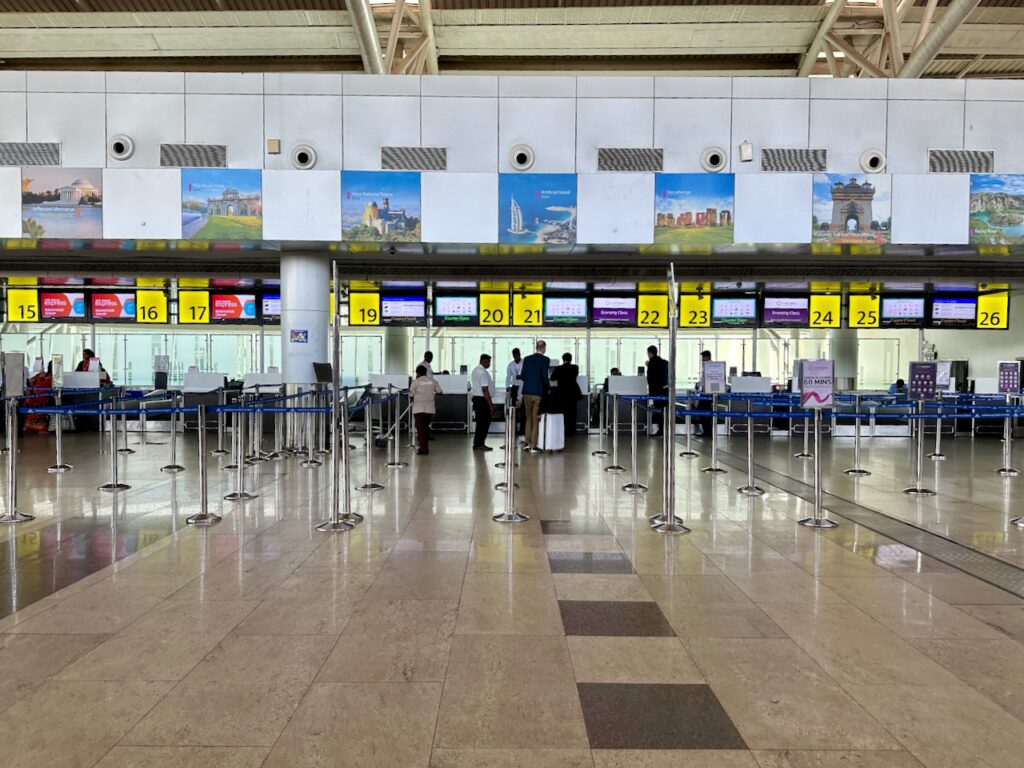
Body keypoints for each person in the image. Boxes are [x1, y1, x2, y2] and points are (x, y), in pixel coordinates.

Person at [519, 340, 550, 454]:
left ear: (536, 347)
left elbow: (523, 376)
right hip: (537, 393)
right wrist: (548, 386)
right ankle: (533, 445)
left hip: (526, 392)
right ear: (544, 348)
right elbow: (544, 376)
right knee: (535, 419)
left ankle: (527, 442)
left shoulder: (527, 359)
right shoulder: (545, 360)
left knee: (528, 418)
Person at [409, 365, 442, 455]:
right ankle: (424, 447)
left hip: (418, 408)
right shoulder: (433, 381)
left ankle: (424, 449)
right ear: (426, 372)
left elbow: (411, 395)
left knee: (420, 429)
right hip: (429, 408)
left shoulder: (415, 382)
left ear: (417, 373)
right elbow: (440, 392)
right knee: (425, 428)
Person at [551, 352, 581, 437]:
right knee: (572, 413)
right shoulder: (575, 368)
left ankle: (562, 430)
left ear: (563, 359)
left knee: (562, 412)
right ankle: (571, 431)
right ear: (571, 359)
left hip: (561, 393)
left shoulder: (558, 368)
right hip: (572, 393)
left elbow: (552, 378)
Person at [470, 353, 495, 451]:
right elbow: (485, 390)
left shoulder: (475, 370)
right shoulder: (482, 372)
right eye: (488, 361)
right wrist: (491, 405)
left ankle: (478, 443)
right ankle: (480, 443)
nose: (489, 364)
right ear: (483, 361)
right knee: (484, 423)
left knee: (480, 423)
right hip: (482, 400)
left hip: (477, 399)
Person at [646, 345, 668, 436]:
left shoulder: (652, 362)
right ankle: (665, 429)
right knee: (664, 410)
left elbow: (652, 378)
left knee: (659, 411)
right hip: (665, 390)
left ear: (649, 353)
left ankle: (661, 430)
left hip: (657, 391)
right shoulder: (664, 362)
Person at [505, 348, 524, 437]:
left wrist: (522, 377)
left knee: (523, 410)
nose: (516, 357)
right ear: (513, 355)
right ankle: (514, 429)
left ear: (520, 354)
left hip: (523, 386)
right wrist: (507, 386)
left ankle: (522, 430)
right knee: (514, 410)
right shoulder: (510, 365)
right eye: (514, 356)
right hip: (515, 387)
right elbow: (508, 376)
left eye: (517, 355)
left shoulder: (525, 363)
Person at [696, 349, 714, 438]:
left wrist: (697, 384)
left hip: (706, 393)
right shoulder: (713, 366)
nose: (702, 360)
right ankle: (708, 431)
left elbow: (704, 380)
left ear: (707, 357)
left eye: (703, 357)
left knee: (703, 410)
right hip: (709, 392)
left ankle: (707, 431)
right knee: (706, 411)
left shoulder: (708, 367)